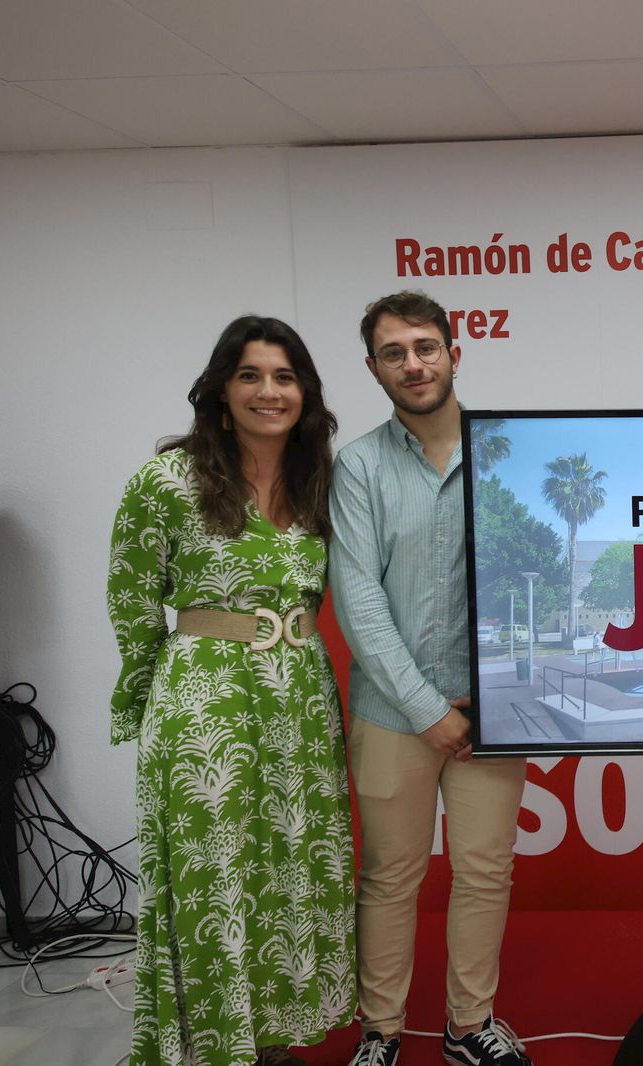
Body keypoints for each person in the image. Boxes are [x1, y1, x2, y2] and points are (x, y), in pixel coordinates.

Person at [107, 316, 355, 1066]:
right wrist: (153, 703)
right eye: (250, 375)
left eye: (284, 377)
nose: (268, 391)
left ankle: (270, 1039)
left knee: (288, 872)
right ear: (220, 389)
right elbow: (131, 598)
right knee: (215, 873)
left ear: (305, 393)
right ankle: (211, 1045)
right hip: (205, 702)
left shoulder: (321, 481)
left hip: (300, 702)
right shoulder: (167, 479)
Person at [330, 291, 532, 1066]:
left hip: (494, 709)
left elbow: (537, 577)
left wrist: (493, 698)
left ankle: (467, 1027)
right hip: (392, 712)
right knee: (389, 877)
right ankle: (380, 1034)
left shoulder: (513, 452)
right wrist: (426, 711)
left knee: (485, 873)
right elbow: (359, 601)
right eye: (394, 352)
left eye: (425, 346)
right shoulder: (358, 468)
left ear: (455, 351)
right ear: (375, 368)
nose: (412, 363)